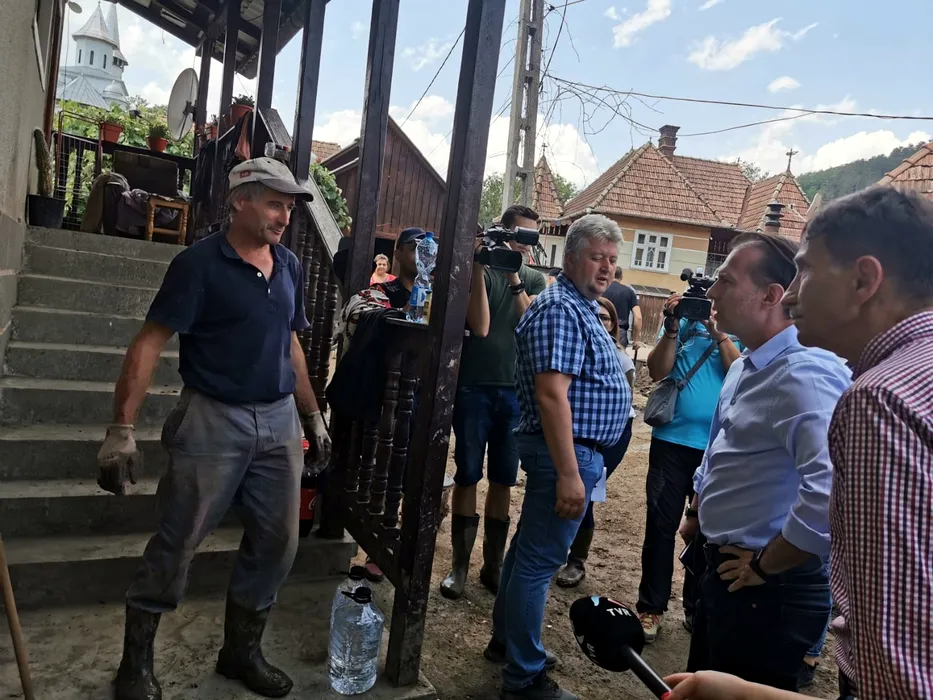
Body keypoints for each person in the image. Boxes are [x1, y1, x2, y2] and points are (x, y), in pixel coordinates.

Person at [664, 186, 933, 700]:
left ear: (864, 280)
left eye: (805, 272)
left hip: (768, 589)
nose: (790, 295)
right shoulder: (914, 373)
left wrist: (765, 564)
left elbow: (901, 661)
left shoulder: (878, 397)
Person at [96, 157, 333, 700]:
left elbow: (290, 343)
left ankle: (240, 653)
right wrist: (121, 428)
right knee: (178, 540)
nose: (285, 216)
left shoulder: (289, 265)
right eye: (274, 204)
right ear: (240, 200)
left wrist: (312, 414)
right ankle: (136, 664)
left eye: (289, 207)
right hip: (211, 418)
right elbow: (149, 343)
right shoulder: (198, 264)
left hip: (278, 420)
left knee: (278, 542)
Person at [682, 232, 851, 690]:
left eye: (725, 281)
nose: (712, 292)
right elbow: (720, 446)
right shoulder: (747, 363)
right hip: (729, 571)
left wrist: (765, 564)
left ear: (771, 295)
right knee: (707, 687)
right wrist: (697, 511)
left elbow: (832, 489)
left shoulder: (804, 374)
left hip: (768, 588)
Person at [486, 214, 631, 700]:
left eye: (612, 260)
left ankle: (507, 642)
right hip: (566, 455)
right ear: (570, 259)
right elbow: (551, 395)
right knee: (538, 562)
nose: (606, 268)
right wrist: (570, 472)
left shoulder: (577, 305)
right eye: (596, 257)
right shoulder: (561, 308)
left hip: (572, 453)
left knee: (526, 553)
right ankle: (524, 678)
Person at [442, 205, 547, 599]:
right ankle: (459, 566)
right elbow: (481, 327)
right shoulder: (480, 270)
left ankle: (493, 566)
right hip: (474, 387)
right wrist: (477, 264)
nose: (524, 244)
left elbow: (531, 322)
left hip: (516, 391)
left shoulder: (535, 278)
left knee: (504, 477)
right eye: (519, 235)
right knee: (468, 472)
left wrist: (514, 274)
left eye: (531, 238)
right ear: (504, 232)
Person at [638, 293, 742, 641]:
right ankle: (651, 607)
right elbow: (657, 371)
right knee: (660, 526)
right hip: (671, 441)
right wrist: (671, 327)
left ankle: (697, 607)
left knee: (707, 532)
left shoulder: (738, 326)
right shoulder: (681, 322)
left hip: (718, 446)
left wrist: (718, 332)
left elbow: (742, 373)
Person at [556, 296, 636, 587]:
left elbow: (625, 397)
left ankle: (576, 560)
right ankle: (554, 549)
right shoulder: (574, 346)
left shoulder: (621, 357)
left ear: (613, 324)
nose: (600, 321)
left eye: (605, 317)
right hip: (578, 431)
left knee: (587, 492)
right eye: (595, 315)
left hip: (613, 434)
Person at [602, 266, 642, 347]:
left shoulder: (601, 289)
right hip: (620, 334)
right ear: (621, 277)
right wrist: (636, 340)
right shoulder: (629, 292)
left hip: (601, 329)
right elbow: (638, 317)